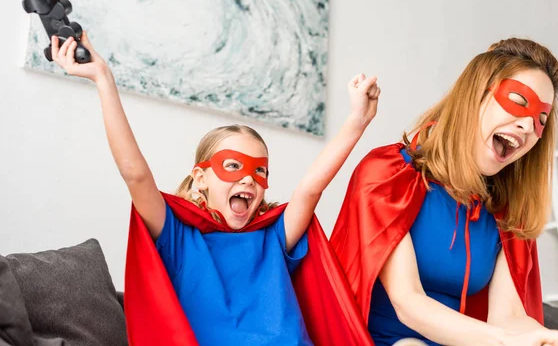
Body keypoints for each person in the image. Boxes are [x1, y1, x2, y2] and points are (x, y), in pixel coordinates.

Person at [50, 32, 379, 345]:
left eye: (259, 171)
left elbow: (310, 189)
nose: (248, 179)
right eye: (233, 166)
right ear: (200, 177)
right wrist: (104, 79)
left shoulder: (276, 236)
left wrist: (357, 120)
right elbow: (135, 175)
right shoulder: (178, 239)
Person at [331, 37, 558, 345]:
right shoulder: (388, 174)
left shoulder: (505, 211)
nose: (527, 126)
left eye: (540, 120)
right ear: (474, 96)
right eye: (519, 102)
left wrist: (549, 338)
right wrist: (505, 341)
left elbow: (507, 317)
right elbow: (408, 303)